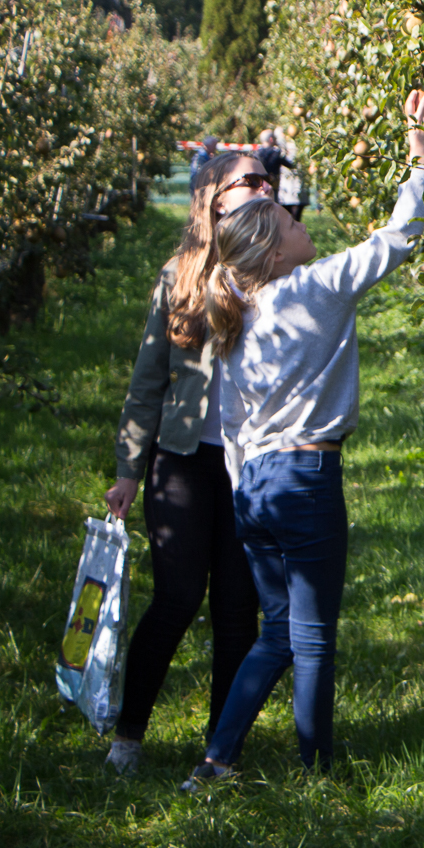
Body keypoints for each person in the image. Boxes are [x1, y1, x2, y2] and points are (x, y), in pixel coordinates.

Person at [182, 89, 424, 788]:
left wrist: (245, 493)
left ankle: (216, 758)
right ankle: (317, 773)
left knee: (276, 633)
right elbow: (400, 236)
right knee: (313, 638)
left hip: (256, 486)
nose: (299, 222)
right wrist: (419, 153)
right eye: (286, 222)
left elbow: (231, 424)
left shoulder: (238, 317)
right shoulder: (316, 288)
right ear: (273, 244)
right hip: (306, 478)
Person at [101, 152, 279, 773]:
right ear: (214, 196)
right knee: (176, 598)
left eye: (267, 179)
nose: (264, 187)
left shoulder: (275, 275)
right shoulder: (179, 275)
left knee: (237, 607)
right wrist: (128, 468)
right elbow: (147, 381)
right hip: (180, 460)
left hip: (247, 463)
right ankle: (128, 735)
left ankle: (219, 752)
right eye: (249, 180)